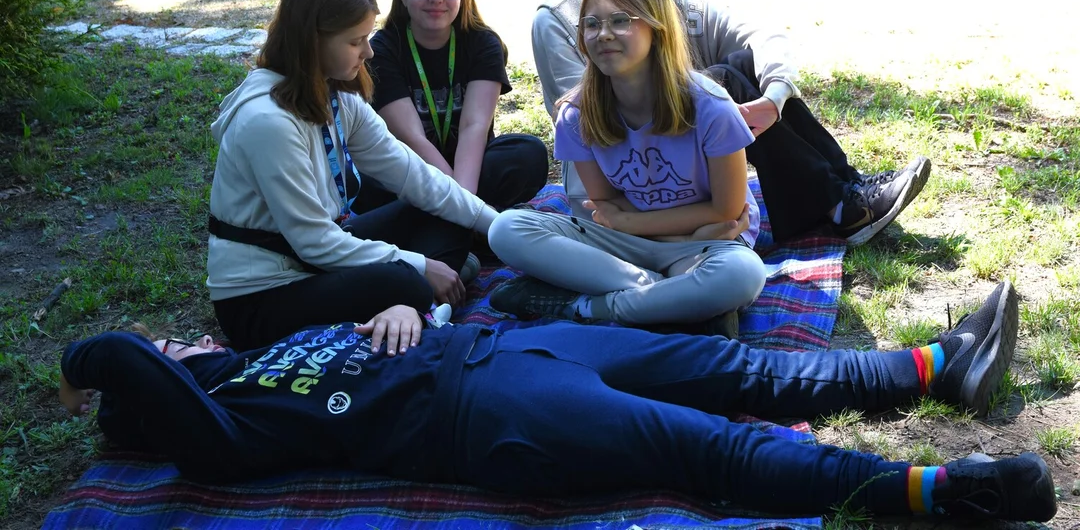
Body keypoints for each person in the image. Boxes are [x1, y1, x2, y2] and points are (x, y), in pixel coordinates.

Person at [57, 280, 1057, 523]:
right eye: (164, 352)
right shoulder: (221, 432)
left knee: (738, 370)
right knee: (709, 451)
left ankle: (936, 368)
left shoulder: (256, 359)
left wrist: (402, 302)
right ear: (163, 388)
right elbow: (110, 354)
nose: (169, 340)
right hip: (490, 419)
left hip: (505, 343)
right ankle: (939, 493)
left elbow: (387, 274)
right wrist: (106, 362)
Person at [532, 0, 931, 245]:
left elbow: (763, 37)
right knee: (724, 81)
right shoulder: (558, 18)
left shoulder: (668, 0)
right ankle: (841, 205)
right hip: (626, 175)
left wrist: (773, 101)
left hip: (685, 158)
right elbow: (589, 113)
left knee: (740, 68)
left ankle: (845, 192)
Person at [206, 0, 498, 352]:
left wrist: (502, 230)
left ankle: (426, 292)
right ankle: (423, 295)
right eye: (355, 40)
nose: (369, 51)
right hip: (263, 297)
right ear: (313, 41)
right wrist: (420, 265)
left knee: (440, 208)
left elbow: (416, 177)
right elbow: (316, 244)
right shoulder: (267, 123)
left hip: (312, 261)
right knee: (405, 281)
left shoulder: (338, 100)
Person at [487, 0, 766, 335]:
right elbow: (605, 208)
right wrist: (662, 233)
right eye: (591, 23)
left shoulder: (711, 106)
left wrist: (638, 225)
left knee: (741, 275)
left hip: (708, 245)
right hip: (637, 245)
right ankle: (672, 301)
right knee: (506, 228)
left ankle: (587, 306)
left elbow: (726, 211)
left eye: (620, 20)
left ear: (657, 28)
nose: (603, 34)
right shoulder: (576, 114)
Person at [363, 0, 548, 270]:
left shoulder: (482, 43)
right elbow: (412, 139)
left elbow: (474, 127)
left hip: (472, 172)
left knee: (527, 153)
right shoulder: (382, 49)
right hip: (411, 172)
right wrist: (464, 209)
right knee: (372, 186)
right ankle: (474, 236)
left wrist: (463, 204)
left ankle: (446, 239)